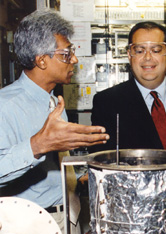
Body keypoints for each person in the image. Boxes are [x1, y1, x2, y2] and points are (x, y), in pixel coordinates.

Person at [0, 9, 109, 233]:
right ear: (41, 60)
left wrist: (81, 175)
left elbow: (55, 164)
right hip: (31, 223)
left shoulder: (52, 101)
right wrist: (38, 145)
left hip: (68, 214)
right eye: (66, 54)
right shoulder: (6, 105)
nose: (74, 60)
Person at [90, 21, 166, 153]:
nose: (148, 57)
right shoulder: (107, 102)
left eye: (155, 50)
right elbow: (102, 159)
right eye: (139, 51)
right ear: (129, 55)